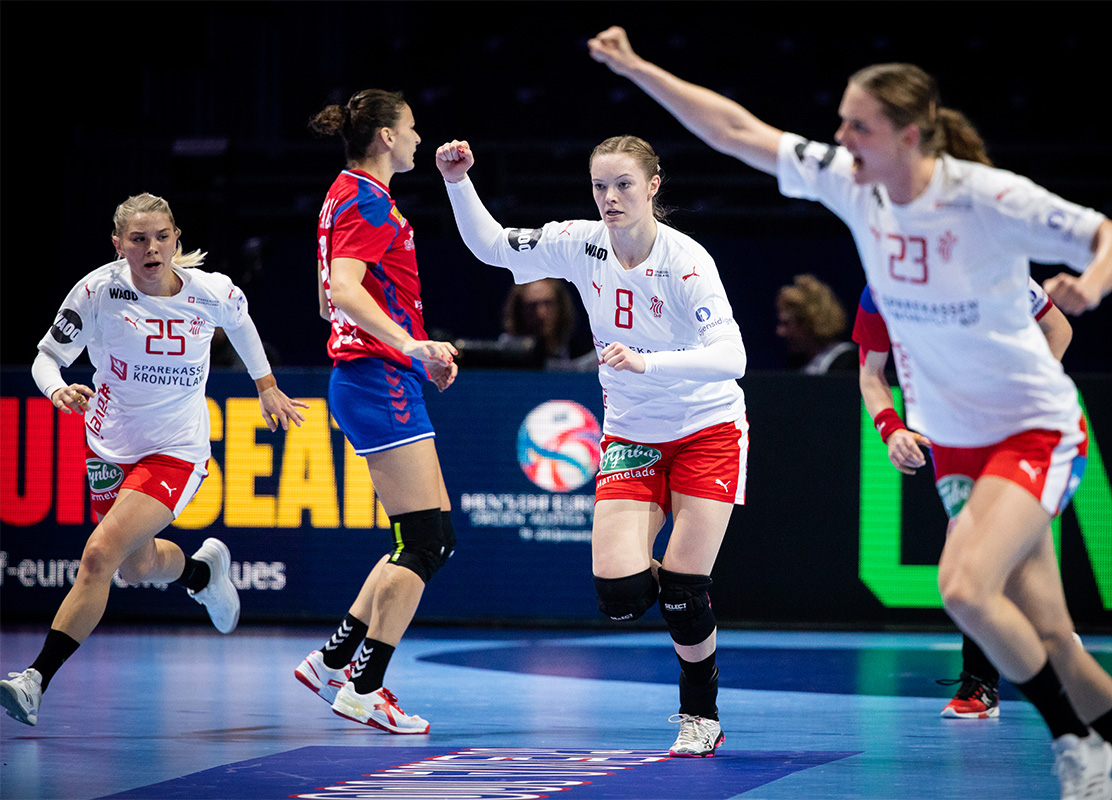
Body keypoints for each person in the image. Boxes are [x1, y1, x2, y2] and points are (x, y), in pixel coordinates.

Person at [588, 27, 1112, 800]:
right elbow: (737, 130)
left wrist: (1092, 284)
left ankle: (1076, 744)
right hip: (958, 441)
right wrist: (637, 68)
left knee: (964, 588)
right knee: (1050, 636)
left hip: (1032, 425)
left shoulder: (986, 197)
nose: (840, 138)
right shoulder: (856, 185)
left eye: (858, 126)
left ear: (909, 134)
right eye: (840, 122)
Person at [436, 134, 749, 758]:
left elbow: (732, 357)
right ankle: (685, 598)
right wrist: (457, 181)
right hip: (632, 433)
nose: (610, 197)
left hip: (707, 429)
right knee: (621, 596)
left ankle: (701, 711)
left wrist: (648, 363)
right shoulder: (582, 242)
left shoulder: (687, 261)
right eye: (600, 186)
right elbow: (491, 246)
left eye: (624, 184)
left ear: (652, 186)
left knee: (683, 588)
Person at [0, 192, 308, 727]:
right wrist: (57, 390)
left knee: (99, 555)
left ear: (176, 239)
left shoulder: (211, 292)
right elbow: (46, 357)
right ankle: (201, 574)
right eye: (138, 239)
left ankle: (34, 680)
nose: (152, 249)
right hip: (108, 446)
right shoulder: (97, 291)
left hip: (176, 451)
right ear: (118, 245)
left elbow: (241, 323)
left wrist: (267, 386)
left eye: (162, 237)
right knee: (135, 567)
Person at [293, 88, 459, 736]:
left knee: (429, 537)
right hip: (376, 381)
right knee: (424, 542)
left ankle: (332, 660)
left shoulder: (343, 192)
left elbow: (325, 299)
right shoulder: (366, 199)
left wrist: (414, 353)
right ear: (387, 136)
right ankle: (365, 688)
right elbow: (341, 290)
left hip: (379, 376)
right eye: (412, 127)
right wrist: (411, 347)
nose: (418, 136)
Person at [855, 278, 1072, 720]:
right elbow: (872, 374)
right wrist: (891, 429)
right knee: (991, 569)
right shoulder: (878, 289)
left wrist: (1026, 395)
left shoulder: (986, 268)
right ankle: (1051, 666)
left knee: (976, 558)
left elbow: (1058, 328)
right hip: (953, 434)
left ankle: (992, 681)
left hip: (1019, 429)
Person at [501, 278, 597, 371]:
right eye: (531, 306)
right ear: (519, 310)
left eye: (548, 304)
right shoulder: (504, 354)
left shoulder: (587, 358)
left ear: (561, 307)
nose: (541, 314)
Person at [775, 273, 857, 373]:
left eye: (786, 324)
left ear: (809, 323)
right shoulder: (795, 365)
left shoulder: (848, 363)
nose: (780, 332)